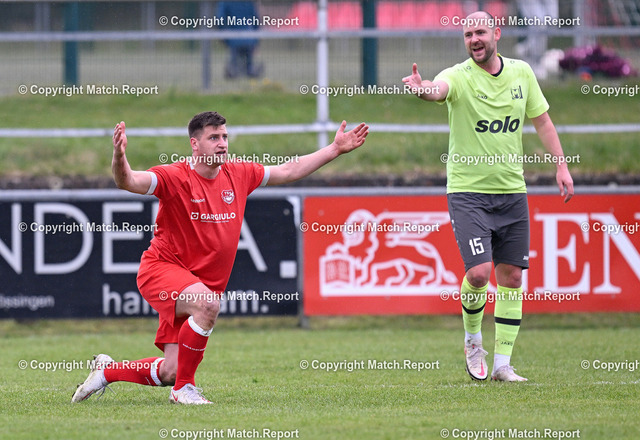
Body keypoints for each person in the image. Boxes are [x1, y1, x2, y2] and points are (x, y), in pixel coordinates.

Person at [72, 112, 368, 404]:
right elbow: (128, 181)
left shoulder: (239, 173)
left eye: (225, 136)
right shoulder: (175, 176)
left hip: (196, 283)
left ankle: (107, 371)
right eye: (213, 137)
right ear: (195, 144)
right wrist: (119, 157)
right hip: (161, 271)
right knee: (208, 305)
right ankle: (184, 390)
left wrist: (334, 149)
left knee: (171, 371)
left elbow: (289, 170)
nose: (222, 143)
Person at [402, 11, 573, 382]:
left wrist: (561, 166)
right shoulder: (458, 76)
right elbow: (437, 89)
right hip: (468, 193)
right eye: (467, 35)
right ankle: (472, 339)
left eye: (479, 32)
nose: (474, 39)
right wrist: (422, 88)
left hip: (512, 192)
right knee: (479, 274)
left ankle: (502, 366)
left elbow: (542, 121)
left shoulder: (522, 73)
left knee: (511, 278)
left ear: (497, 33)